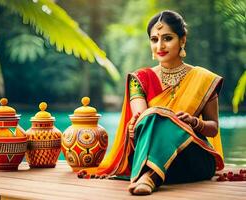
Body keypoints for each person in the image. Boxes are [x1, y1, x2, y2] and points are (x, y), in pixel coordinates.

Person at [78, 10, 224, 195]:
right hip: (146, 155)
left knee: (160, 116)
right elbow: (142, 119)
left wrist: (194, 122)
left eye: (167, 38)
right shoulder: (140, 79)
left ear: (182, 40)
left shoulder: (203, 79)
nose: (160, 45)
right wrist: (133, 127)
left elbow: (213, 127)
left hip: (191, 158)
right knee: (154, 115)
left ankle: (149, 177)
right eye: (154, 39)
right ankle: (150, 175)